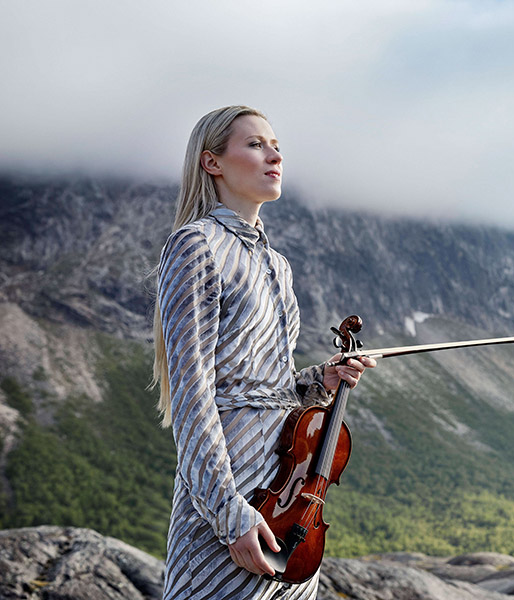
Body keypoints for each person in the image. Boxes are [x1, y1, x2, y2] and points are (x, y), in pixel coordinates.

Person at [151, 105, 375, 600]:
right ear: (212, 162)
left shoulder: (278, 264)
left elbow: (272, 385)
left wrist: (323, 379)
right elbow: (193, 393)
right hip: (230, 485)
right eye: (255, 144)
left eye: (276, 146)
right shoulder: (196, 245)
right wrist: (229, 515)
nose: (274, 155)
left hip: (285, 489)